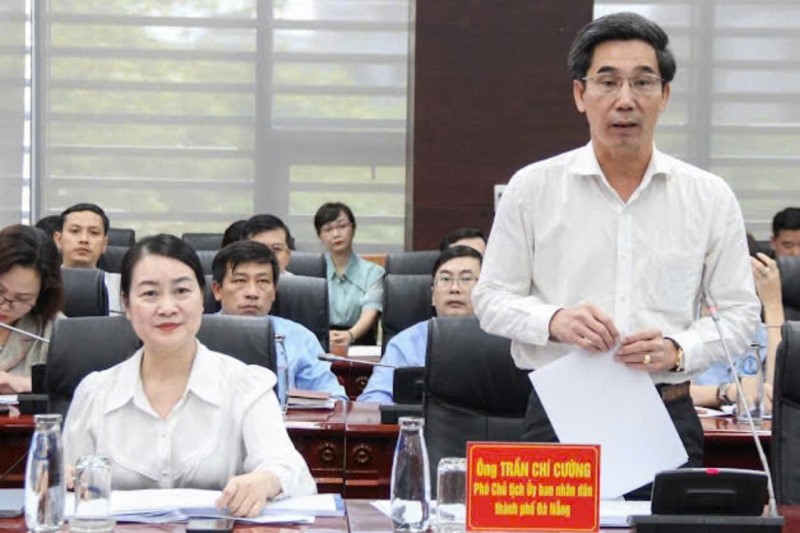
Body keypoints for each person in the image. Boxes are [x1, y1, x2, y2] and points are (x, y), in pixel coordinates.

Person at [471, 12, 760, 496]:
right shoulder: (533, 188)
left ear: (664, 95)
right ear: (580, 94)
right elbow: (490, 299)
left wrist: (678, 350)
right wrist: (554, 320)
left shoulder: (709, 196)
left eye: (643, 82)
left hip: (667, 412)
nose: (625, 99)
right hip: (561, 417)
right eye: (607, 82)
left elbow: (739, 313)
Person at [62, 234, 316, 515]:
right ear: (126, 305)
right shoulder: (95, 393)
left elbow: (291, 471)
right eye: (150, 294)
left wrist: (267, 480)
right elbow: (65, 486)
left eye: (182, 291)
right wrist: (63, 479)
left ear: (202, 298)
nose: (167, 308)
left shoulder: (246, 386)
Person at [210, 241, 347, 400]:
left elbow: (334, 399)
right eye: (240, 281)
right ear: (217, 290)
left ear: (274, 291)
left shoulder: (300, 337)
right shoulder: (197, 334)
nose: (252, 293)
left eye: (263, 281)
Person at [358, 246, 482, 404]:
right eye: (445, 279)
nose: (454, 288)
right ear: (433, 295)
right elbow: (373, 398)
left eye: (466, 279)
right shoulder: (406, 344)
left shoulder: (504, 342)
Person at [692, 233, 785, 410]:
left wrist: (773, 306)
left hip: (752, 426)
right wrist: (727, 392)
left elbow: (780, 394)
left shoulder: (762, 332)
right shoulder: (685, 321)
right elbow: (670, 393)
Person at [0, 224, 63, 393]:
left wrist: (25, 384)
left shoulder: (57, 331)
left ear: (42, 295)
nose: (5, 306)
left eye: (22, 299)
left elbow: (78, 386)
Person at [314, 202, 384, 347]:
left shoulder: (373, 273)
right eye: (328, 229)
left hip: (360, 341)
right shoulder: (313, 271)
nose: (336, 234)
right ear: (320, 235)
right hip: (321, 340)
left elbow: (370, 311)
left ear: (353, 228)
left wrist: (350, 335)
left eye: (342, 226)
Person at [54, 203, 122, 315]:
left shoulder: (122, 287)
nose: (84, 239)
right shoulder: (42, 284)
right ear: (58, 240)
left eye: (94, 233)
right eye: (75, 231)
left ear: (104, 244)